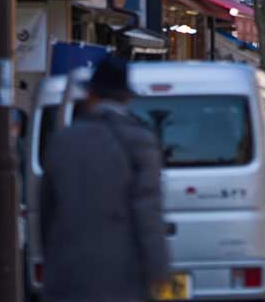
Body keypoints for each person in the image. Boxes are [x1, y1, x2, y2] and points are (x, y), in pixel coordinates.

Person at [39, 57, 171, 301]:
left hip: (67, 272)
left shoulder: (63, 141)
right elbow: (148, 212)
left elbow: (47, 210)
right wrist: (158, 270)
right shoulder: (139, 141)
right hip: (123, 274)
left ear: (91, 96)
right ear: (126, 98)